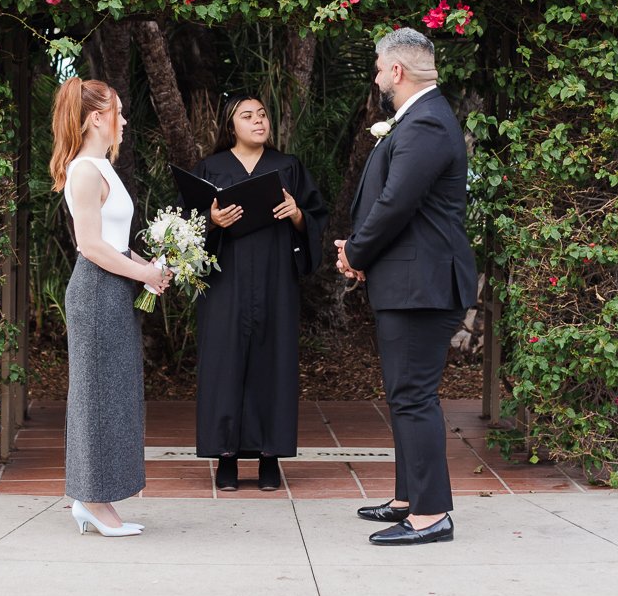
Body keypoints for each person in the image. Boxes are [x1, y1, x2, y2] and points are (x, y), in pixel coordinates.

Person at [335, 29, 477, 546]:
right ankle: (407, 498)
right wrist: (361, 253)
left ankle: (431, 514)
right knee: (403, 396)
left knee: (413, 396)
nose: (376, 76)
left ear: (397, 71)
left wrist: (355, 252)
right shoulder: (422, 120)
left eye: (378, 68)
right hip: (411, 282)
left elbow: (396, 204)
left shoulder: (427, 124)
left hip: (425, 286)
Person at [50, 77, 174, 537]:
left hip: (113, 289)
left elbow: (114, 243)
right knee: (97, 397)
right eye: (117, 112)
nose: (124, 120)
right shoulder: (84, 171)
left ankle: (94, 497)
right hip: (96, 292)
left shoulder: (103, 168)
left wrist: (153, 266)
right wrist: (143, 273)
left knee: (114, 393)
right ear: (96, 118)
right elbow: (90, 246)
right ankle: (92, 500)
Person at [192, 95, 328, 492]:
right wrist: (211, 221)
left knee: (275, 361)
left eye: (263, 114)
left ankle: (270, 457)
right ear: (230, 125)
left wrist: (298, 214)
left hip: (275, 280)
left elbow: (316, 217)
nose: (258, 121)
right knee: (224, 362)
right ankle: (227, 458)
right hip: (225, 282)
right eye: (247, 116)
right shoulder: (212, 169)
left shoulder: (288, 167)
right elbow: (187, 227)